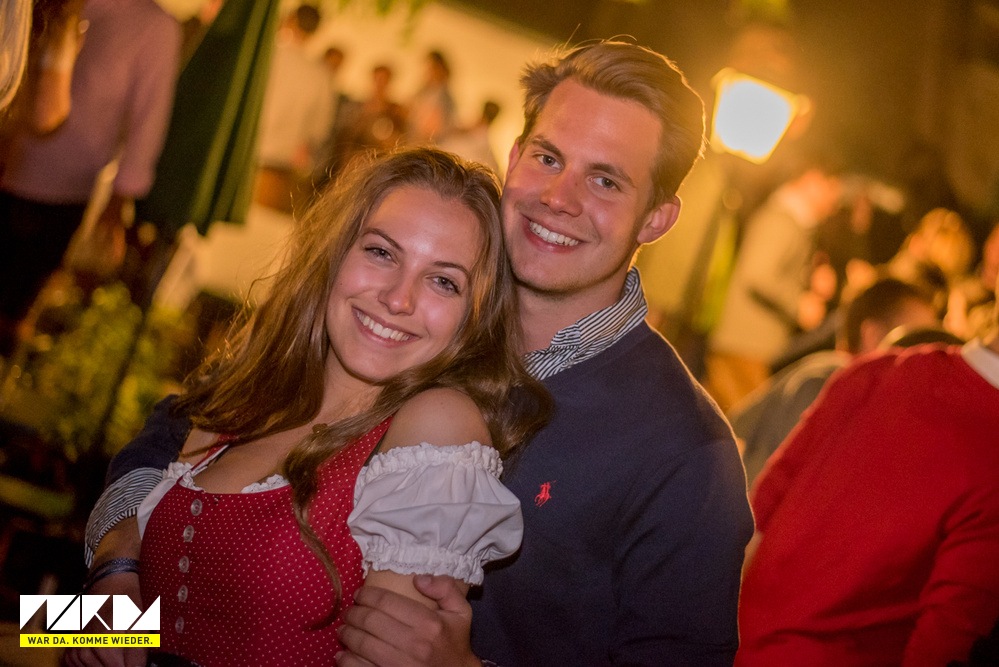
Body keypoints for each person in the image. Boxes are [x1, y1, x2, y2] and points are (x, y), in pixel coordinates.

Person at [82, 40, 755, 665]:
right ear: (514, 154)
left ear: (657, 217)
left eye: (605, 181)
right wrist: (104, 580)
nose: (559, 198)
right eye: (548, 158)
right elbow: (168, 450)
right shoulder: (379, 332)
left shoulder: (685, 451)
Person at [66, 148, 551, 667]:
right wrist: (81, 623)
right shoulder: (244, 393)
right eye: (381, 252)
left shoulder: (435, 430)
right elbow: (74, 628)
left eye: (443, 281)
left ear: (474, 318)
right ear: (334, 254)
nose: (398, 299)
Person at [737, 273, 999, 665]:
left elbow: (758, 516)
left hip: (738, 644)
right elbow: (942, 644)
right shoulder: (992, 449)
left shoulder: (875, 371)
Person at [0, 0, 181, 356]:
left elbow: (147, 123)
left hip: (55, 193)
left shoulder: (153, 28)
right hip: (16, 171)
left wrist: (119, 199)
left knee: (11, 312)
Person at [731, 276, 939, 486]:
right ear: (872, 335)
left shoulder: (854, 391)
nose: (926, 360)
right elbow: (779, 486)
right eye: (915, 342)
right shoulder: (828, 382)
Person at [705, 160, 844, 411]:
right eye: (832, 188)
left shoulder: (791, 223)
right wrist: (799, 305)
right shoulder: (782, 220)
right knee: (740, 426)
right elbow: (757, 273)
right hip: (746, 346)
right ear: (812, 179)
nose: (834, 201)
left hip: (748, 347)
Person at [251, 3, 332, 216]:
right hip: (281, 170)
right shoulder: (320, 75)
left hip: (247, 157)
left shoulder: (266, 56)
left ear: (291, 20)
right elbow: (319, 130)